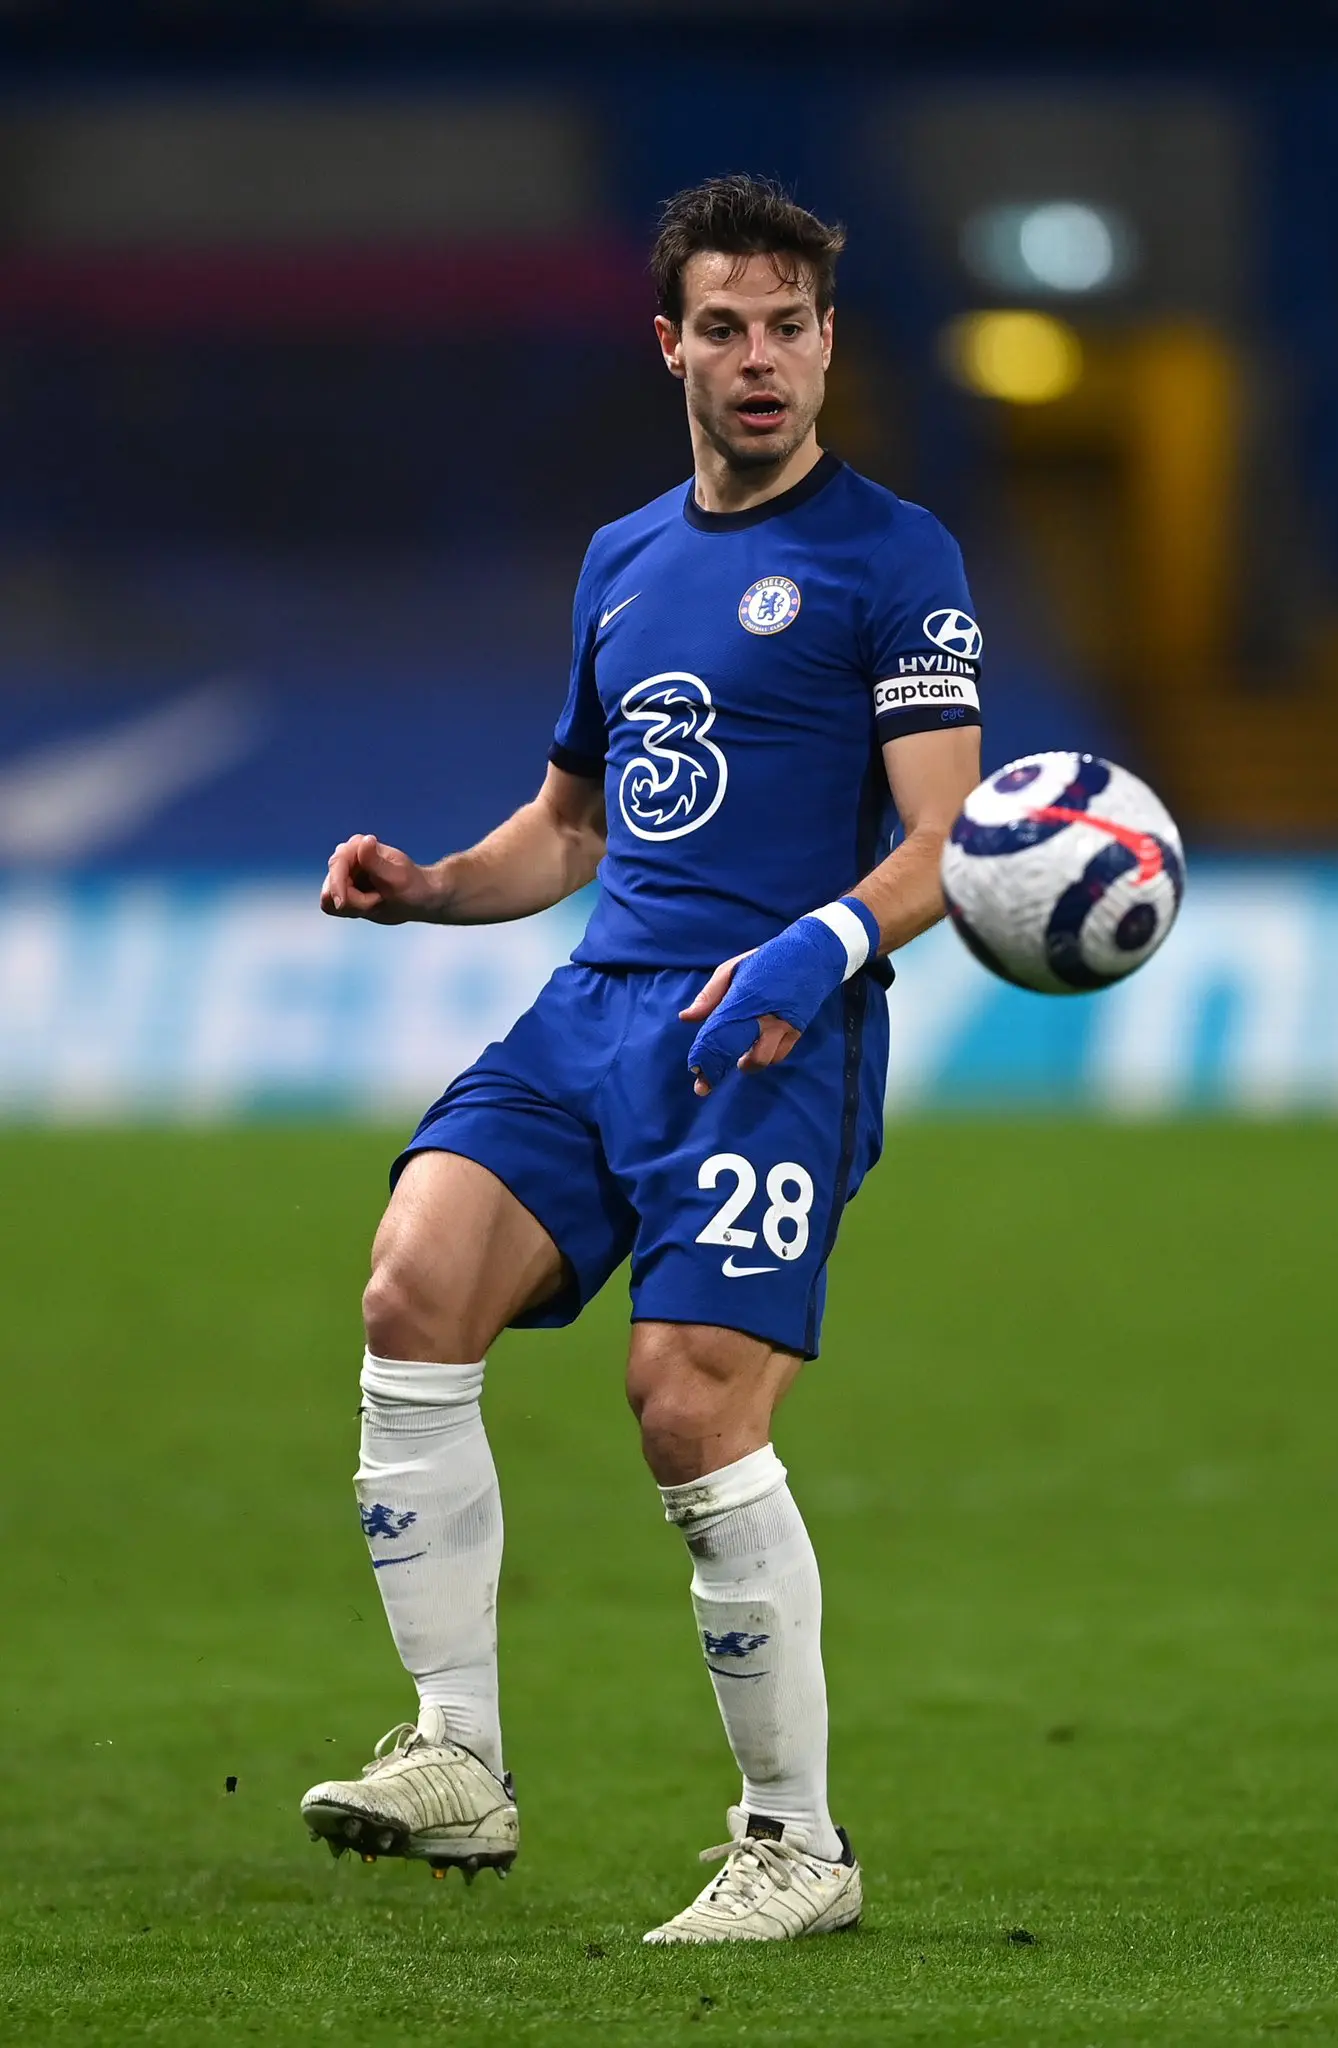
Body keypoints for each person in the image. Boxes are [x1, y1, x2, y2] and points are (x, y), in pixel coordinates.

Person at [300, 173, 983, 1945]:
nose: (760, 361)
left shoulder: (893, 556)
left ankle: (797, 1846)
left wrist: (815, 946)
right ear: (669, 344)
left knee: (687, 1404)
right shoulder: (623, 559)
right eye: (726, 329)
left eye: (789, 329)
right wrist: (431, 888)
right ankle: (457, 1753)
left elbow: (945, 841)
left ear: (826, 343)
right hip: (598, 1004)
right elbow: (572, 827)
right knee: (409, 1288)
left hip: (774, 1031)